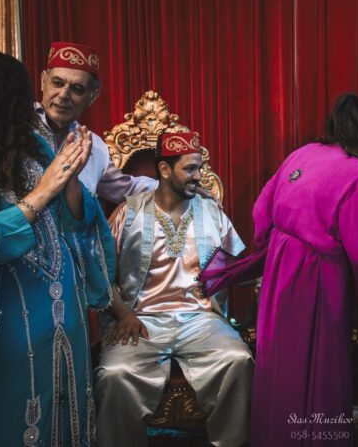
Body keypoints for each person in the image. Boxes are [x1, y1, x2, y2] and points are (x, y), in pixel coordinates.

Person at [201, 93, 358, 446]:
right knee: (316, 375)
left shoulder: (305, 152)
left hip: (279, 280)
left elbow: (262, 211)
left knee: (282, 374)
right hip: (315, 285)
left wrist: (284, 247)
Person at [0, 50, 115, 446]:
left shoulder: (37, 146)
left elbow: (78, 220)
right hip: (7, 324)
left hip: (65, 315)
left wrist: (69, 177)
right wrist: (40, 194)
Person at [94, 132, 253, 447]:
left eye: (200, 168)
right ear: (165, 170)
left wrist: (272, 267)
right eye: (190, 169)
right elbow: (100, 273)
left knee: (238, 358)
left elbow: (238, 266)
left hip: (201, 319)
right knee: (114, 373)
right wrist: (123, 314)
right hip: (141, 321)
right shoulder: (128, 213)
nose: (199, 177)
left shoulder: (211, 211)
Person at [35, 41, 157, 203]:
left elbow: (128, 189)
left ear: (93, 96)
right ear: (43, 81)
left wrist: (175, 185)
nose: (63, 95)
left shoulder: (92, 146)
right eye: (57, 83)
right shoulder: (14, 126)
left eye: (77, 89)